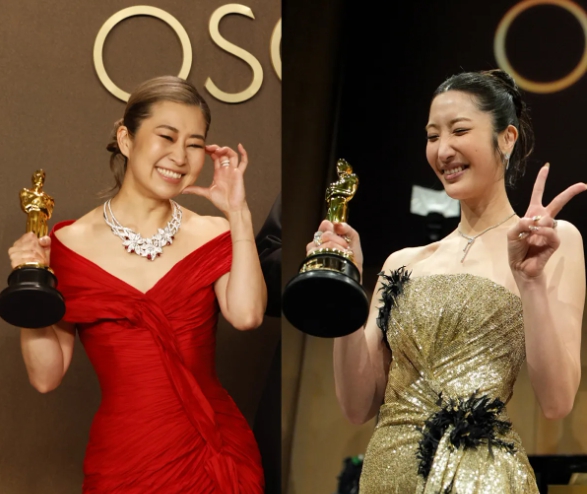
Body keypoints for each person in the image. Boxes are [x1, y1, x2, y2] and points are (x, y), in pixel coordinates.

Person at [307, 69, 586, 492]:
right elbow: (357, 407)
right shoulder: (402, 262)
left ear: (506, 138)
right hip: (386, 476)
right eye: (432, 135)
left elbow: (557, 401)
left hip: (481, 480)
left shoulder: (550, 242)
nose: (443, 149)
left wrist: (529, 281)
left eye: (459, 131)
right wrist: (343, 283)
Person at [9, 76, 266, 493]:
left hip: (212, 455)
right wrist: (29, 285)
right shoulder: (68, 245)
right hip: (125, 461)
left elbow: (247, 315)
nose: (179, 156)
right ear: (126, 139)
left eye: (195, 144)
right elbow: (46, 377)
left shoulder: (213, 233)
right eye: (166, 136)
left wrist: (238, 213)